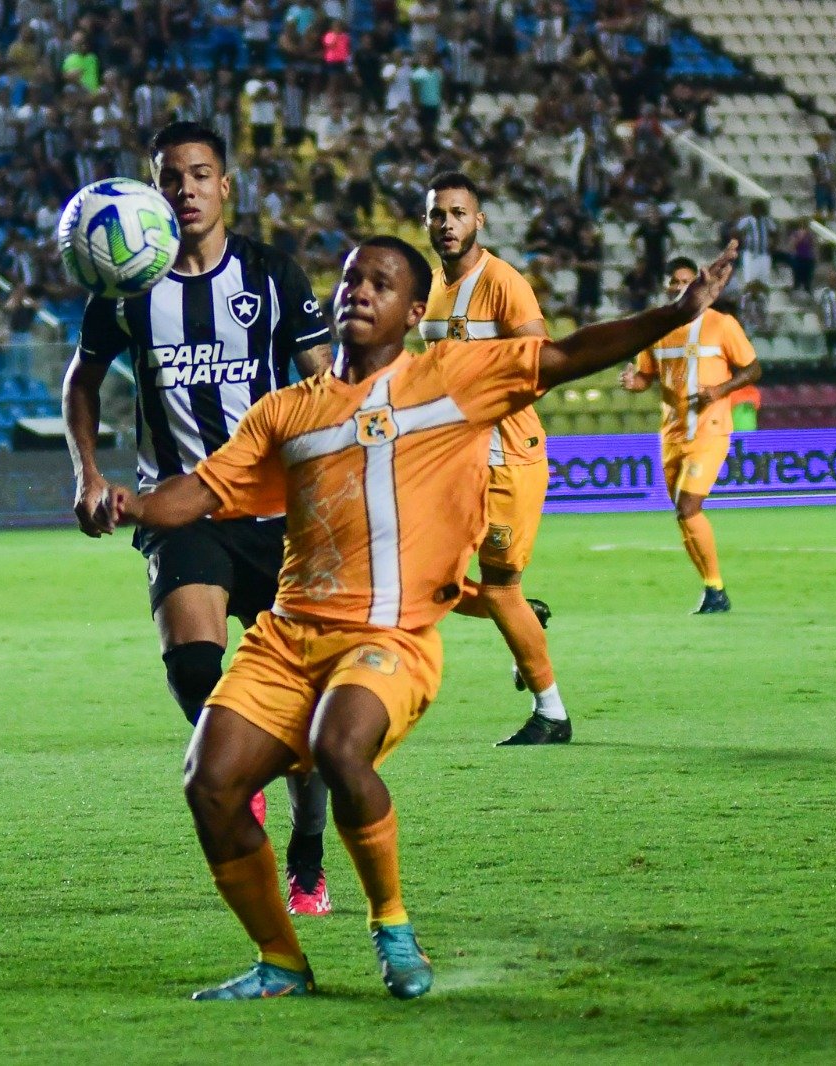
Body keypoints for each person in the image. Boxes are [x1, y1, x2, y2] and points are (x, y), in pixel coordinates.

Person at [92, 235, 739, 1002]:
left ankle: (391, 927)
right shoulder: (286, 412)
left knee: (340, 747)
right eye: (352, 278)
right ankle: (282, 961)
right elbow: (200, 492)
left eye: (382, 283)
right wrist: (126, 502)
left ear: (414, 309)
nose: (359, 291)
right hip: (291, 635)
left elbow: (567, 356)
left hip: (390, 637)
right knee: (210, 782)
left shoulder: (457, 378)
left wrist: (675, 312)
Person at [63, 121, 337, 915]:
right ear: (154, 190)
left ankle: (308, 857)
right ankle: (236, 766)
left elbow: (322, 386)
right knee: (191, 666)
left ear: (226, 187)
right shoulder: (122, 286)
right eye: (170, 177)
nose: (185, 188)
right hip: (179, 506)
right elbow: (82, 382)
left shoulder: (273, 275)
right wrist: (89, 472)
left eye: (200, 174)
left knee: (311, 699)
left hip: (279, 508)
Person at [420, 172, 567, 746]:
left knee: (499, 586)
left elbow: (544, 364)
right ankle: (526, 615)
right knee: (432, 580)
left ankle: (551, 713)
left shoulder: (504, 282)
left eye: (458, 213)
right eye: (438, 214)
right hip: (454, 460)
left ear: (478, 221)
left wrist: (485, 402)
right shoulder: (430, 287)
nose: (448, 223)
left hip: (507, 454)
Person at [621, 256, 761, 614]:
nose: (679, 285)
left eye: (686, 279)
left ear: (698, 286)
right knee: (682, 513)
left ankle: (715, 589)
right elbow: (646, 377)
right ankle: (713, 589)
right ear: (667, 287)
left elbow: (753, 368)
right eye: (673, 280)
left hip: (710, 428)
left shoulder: (721, 324)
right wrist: (632, 382)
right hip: (671, 432)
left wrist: (720, 390)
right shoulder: (656, 328)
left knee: (688, 506)